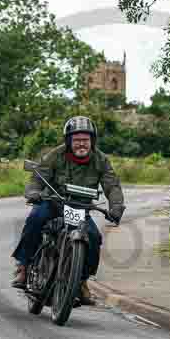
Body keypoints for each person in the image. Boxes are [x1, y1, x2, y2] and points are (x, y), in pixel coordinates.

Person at [11, 116, 125, 305]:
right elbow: (38, 177)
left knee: (94, 238)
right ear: (69, 141)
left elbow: (112, 186)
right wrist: (33, 192)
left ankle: (80, 281)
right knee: (35, 219)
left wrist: (116, 207)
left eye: (86, 140)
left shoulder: (101, 160)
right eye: (77, 140)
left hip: (80, 208)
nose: (81, 144)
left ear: (92, 141)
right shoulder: (56, 155)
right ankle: (23, 267)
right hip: (53, 203)